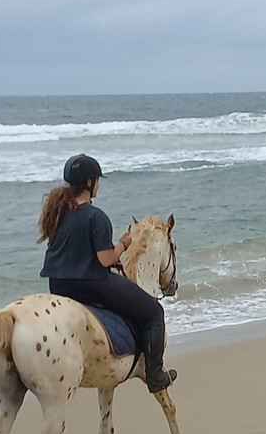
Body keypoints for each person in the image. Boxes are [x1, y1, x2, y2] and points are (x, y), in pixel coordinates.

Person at [39, 154, 176, 393]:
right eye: (97, 181)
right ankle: (155, 375)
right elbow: (106, 259)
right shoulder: (96, 216)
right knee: (154, 311)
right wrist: (124, 244)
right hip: (91, 284)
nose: (99, 185)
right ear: (89, 184)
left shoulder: (58, 212)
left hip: (58, 285)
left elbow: (74, 250)